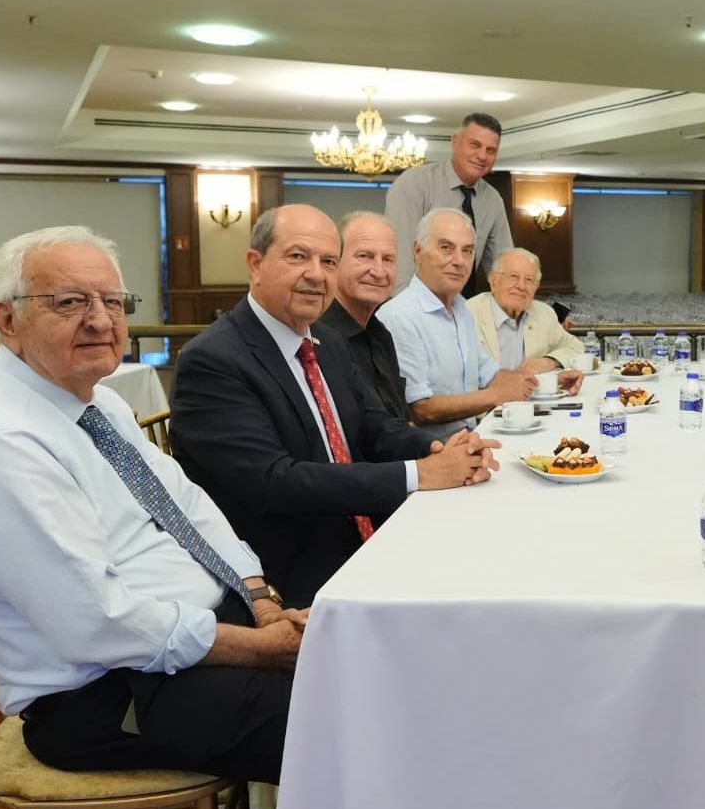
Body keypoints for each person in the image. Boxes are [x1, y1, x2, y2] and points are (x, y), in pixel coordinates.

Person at [0, 226, 301, 784]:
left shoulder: (99, 403)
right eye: (70, 302)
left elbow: (186, 505)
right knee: (346, 723)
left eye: (113, 302)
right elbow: (97, 624)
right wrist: (261, 649)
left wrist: (260, 601)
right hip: (105, 693)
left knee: (369, 671)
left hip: (191, 638)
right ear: (7, 321)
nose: (100, 320)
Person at [172, 204, 497, 604]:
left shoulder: (326, 340)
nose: (316, 274)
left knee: (490, 559)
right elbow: (276, 483)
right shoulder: (212, 360)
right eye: (298, 256)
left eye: (328, 261)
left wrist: (443, 449)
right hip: (283, 575)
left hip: (364, 535)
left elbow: (375, 426)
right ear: (255, 264)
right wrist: (420, 473)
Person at [380, 208, 580, 439]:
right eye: (446, 248)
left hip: (472, 439)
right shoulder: (400, 316)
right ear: (418, 251)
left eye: (467, 251)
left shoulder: (461, 309)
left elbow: (491, 374)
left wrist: (546, 382)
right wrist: (497, 395)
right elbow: (420, 410)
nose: (459, 261)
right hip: (433, 453)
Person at [385, 112, 513, 294]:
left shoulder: (492, 200)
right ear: (455, 142)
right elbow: (400, 264)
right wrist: (410, 309)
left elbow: (505, 268)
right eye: (475, 145)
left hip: (464, 306)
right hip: (414, 303)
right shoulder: (414, 184)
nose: (482, 156)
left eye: (490, 150)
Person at [317, 211, 412, 420]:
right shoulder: (317, 337)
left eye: (388, 259)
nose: (379, 271)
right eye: (364, 256)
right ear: (334, 262)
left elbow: (399, 418)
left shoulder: (381, 334)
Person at [466, 247, 586, 373]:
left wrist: (547, 361)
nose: (521, 286)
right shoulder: (467, 315)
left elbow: (575, 347)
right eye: (513, 277)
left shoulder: (544, 313)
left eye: (529, 280)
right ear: (493, 280)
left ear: (536, 287)